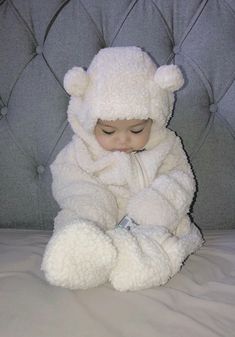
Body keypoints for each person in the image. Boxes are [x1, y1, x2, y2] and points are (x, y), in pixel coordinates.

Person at [41, 46, 203, 291]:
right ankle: (80, 255)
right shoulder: (81, 150)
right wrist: (93, 203)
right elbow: (69, 177)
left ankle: (140, 262)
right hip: (95, 213)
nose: (123, 139)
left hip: (145, 221)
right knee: (77, 218)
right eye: (109, 131)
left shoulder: (165, 146)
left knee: (160, 232)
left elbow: (179, 178)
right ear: (90, 122)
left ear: (155, 120)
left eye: (136, 130)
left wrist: (154, 203)